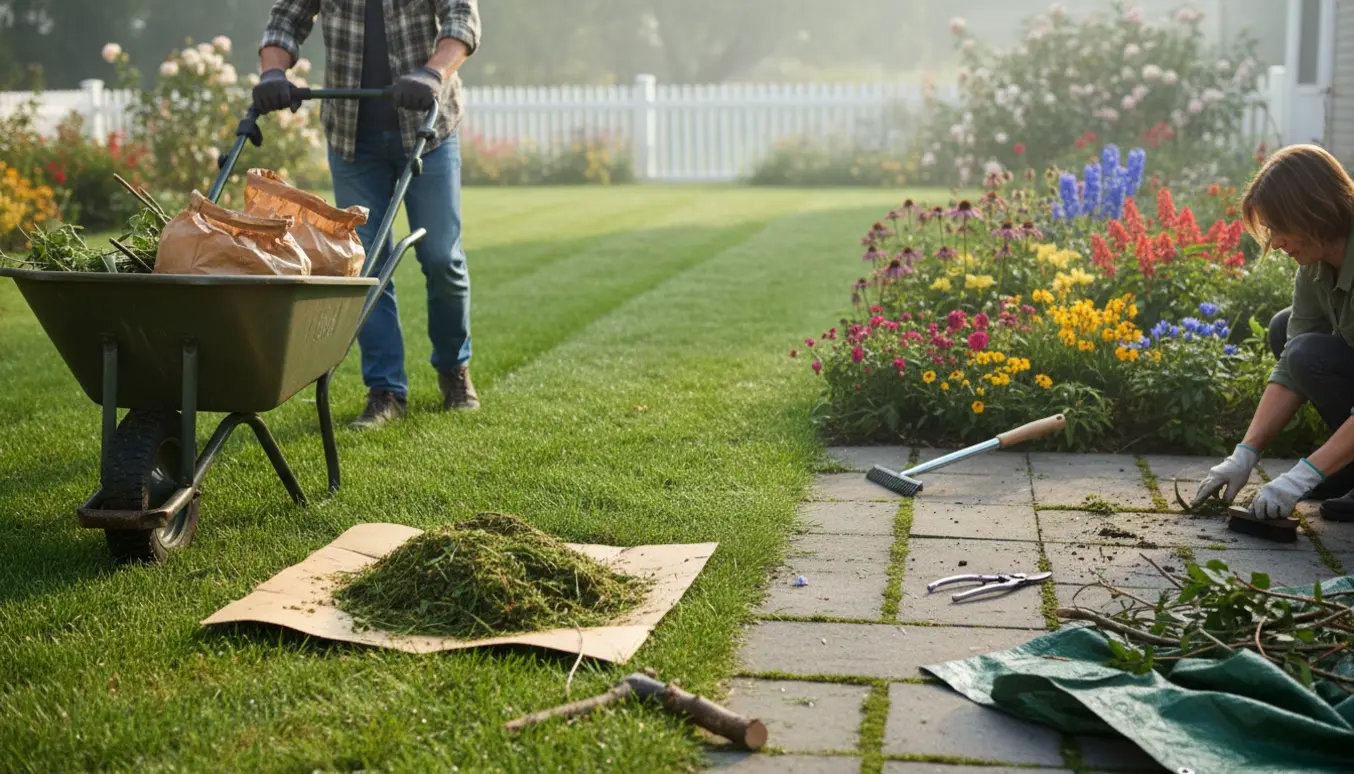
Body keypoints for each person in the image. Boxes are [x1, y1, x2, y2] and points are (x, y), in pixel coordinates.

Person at [252, 0, 482, 430]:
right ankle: (386, 390)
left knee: (440, 258)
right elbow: (287, 18)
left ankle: (454, 371)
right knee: (367, 265)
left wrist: (432, 72)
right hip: (352, 134)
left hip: (429, 128)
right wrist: (273, 72)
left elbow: (461, 19)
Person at [1191, 143, 1354, 522]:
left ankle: (1334, 463)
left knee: (1306, 351)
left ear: (1314, 211)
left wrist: (1302, 476)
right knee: (1289, 332)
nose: (1275, 243)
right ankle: (1344, 467)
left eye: (1280, 229)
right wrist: (1244, 454)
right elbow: (1289, 368)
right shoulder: (1315, 267)